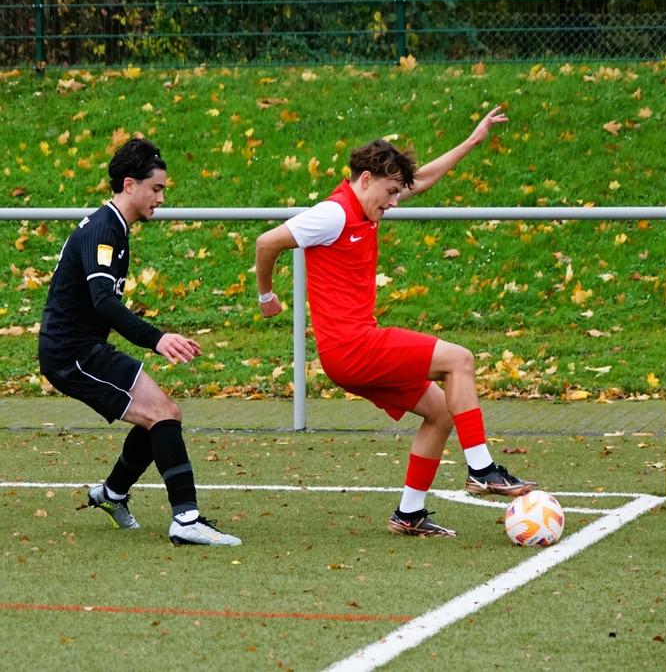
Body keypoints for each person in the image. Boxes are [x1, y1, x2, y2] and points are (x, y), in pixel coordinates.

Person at [254, 107, 536, 538]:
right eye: (389, 192)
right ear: (365, 179)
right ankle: (482, 470)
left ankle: (409, 514)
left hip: (349, 353)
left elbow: (421, 180)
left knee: (441, 412)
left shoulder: (368, 203)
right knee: (459, 360)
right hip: (353, 347)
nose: (394, 202)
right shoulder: (334, 213)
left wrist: (472, 141)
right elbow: (266, 242)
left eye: (397, 194)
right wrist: (266, 296)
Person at [38, 137, 241, 547]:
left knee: (164, 414)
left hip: (82, 348)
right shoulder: (104, 230)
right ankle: (185, 520)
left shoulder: (113, 226)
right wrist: (157, 338)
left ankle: (112, 494)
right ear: (130, 185)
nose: (161, 198)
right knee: (162, 414)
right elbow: (103, 301)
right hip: (71, 354)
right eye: (156, 188)